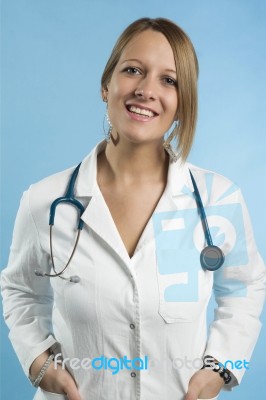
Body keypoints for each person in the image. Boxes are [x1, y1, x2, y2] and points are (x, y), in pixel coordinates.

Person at [1, 17, 265, 400]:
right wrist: (41, 363)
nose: (145, 90)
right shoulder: (44, 201)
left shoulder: (219, 199)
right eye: (133, 71)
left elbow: (245, 286)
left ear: (182, 102)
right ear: (106, 86)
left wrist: (222, 367)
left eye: (168, 80)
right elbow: (20, 289)